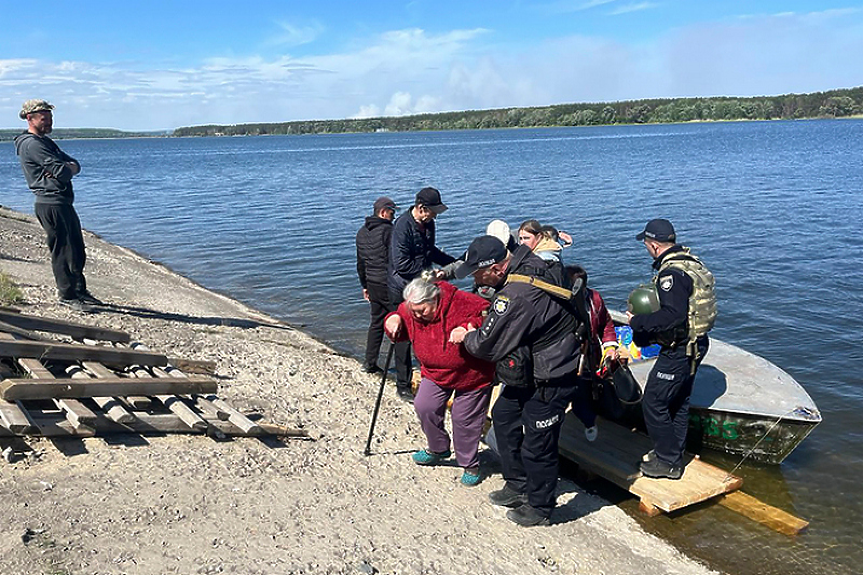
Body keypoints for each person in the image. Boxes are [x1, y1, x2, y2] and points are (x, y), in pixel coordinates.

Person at [449, 236, 585, 527]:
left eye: (478, 273)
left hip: (552, 373)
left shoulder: (515, 294)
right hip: (530, 366)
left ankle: (540, 507)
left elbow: (487, 345)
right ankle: (518, 484)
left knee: (539, 442)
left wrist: (466, 336)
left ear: (497, 268)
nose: (475, 278)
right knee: (503, 415)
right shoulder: (531, 263)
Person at [627, 219, 716, 480]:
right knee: (677, 402)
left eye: (646, 244)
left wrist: (637, 321)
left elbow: (672, 316)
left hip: (680, 349)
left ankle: (667, 462)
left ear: (654, 245)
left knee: (653, 402)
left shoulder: (671, 274)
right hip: (696, 344)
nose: (646, 248)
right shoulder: (690, 262)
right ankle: (672, 453)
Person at [384, 277, 494, 485]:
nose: (416, 315)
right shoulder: (410, 308)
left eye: (422, 311)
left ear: (434, 299)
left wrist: (469, 328)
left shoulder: (463, 301)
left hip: (472, 374)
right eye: (413, 311)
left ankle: (470, 464)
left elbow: (491, 316)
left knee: (464, 420)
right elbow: (399, 320)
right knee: (424, 406)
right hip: (434, 372)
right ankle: (438, 448)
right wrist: (393, 319)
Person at [14, 99, 101, 311]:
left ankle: (79, 290)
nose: (49, 122)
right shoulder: (32, 144)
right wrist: (65, 168)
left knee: (77, 250)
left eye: (50, 118)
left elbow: (73, 164)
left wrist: (66, 167)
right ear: (30, 119)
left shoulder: (46, 142)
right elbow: (63, 172)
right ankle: (67, 295)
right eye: (44, 118)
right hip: (50, 202)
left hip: (62, 202)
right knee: (63, 251)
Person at [386, 187, 456, 402]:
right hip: (402, 287)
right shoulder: (402, 226)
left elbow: (430, 250)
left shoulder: (428, 223)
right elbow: (402, 264)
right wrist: (429, 275)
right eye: (432, 212)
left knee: (428, 329)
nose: (435, 216)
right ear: (421, 208)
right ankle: (403, 385)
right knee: (403, 337)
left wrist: (452, 262)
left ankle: (430, 375)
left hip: (421, 285)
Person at [565, 265, 626, 441]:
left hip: (590, 356)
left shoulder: (595, 298)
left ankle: (589, 421)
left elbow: (606, 323)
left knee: (586, 390)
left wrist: (610, 347)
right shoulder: (557, 301)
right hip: (565, 357)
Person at [356, 197, 398, 374]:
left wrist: (364, 285)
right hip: (387, 284)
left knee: (376, 323)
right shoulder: (388, 230)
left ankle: (369, 362)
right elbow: (395, 259)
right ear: (383, 212)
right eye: (392, 212)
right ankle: (403, 371)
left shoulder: (361, 232)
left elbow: (360, 263)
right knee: (400, 322)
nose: (394, 216)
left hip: (372, 283)